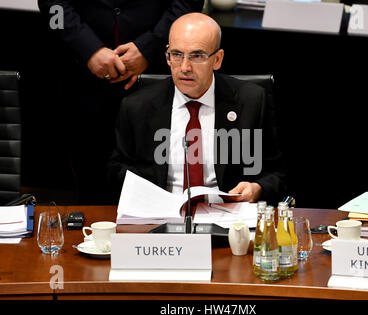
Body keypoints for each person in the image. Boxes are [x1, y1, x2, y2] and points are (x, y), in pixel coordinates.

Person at [108, 13, 286, 205]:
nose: (185, 67)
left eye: (197, 56)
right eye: (176, 55)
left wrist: (257, 189)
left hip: (227, 216)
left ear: (217, 59)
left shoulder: (251, 101)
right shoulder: (137, 106)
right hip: (160, 216)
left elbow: (278, 174)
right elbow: (116, 169)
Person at [37, 0, 203, 204]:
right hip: (80, 73)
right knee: (90, 185)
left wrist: (149, 46)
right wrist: (88, 48)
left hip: (157, 71)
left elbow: (189, 3)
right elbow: (51, 4)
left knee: (158, 184)